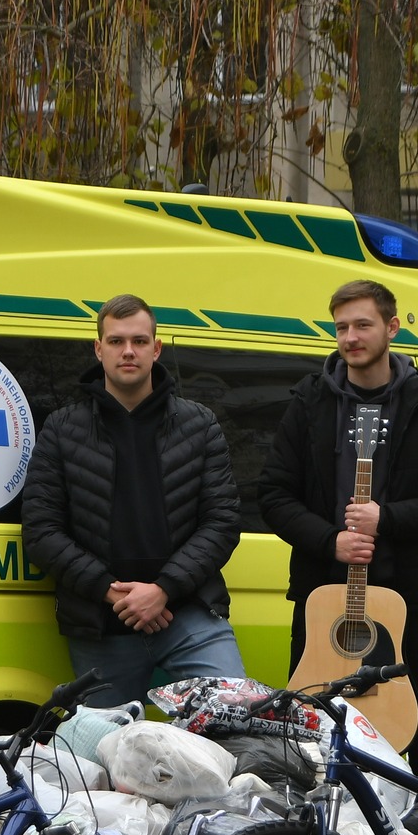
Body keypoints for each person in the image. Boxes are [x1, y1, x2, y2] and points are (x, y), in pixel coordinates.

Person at [258, 279, 418, 789]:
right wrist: (328, 540)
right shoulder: (311, 402)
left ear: (392, 327)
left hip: (406, 603)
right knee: (312, 734)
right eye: (341, 327)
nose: (351, 337)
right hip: (324, 600)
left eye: (362, 324)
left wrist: (389, 519)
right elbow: (273, 495)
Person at [22, 293, 247, 707]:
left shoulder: (199, 425)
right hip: (101, 624)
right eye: (117, 341)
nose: (129, 351)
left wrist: (162, 589)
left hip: (189, 613)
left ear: (156, 349)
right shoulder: (62, 428)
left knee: (234, 720)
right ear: (99, 348)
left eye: (140, 341)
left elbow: (222, 522)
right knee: (105, 755)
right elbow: (41, 530)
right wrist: (115, 593)